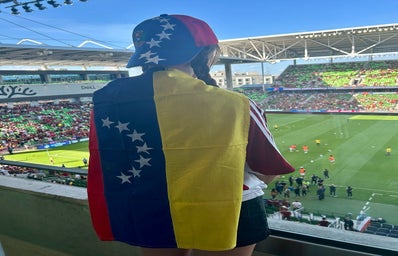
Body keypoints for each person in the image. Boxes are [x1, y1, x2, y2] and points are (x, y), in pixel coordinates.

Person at [87, 14, 295, 256]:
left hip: (151, 207)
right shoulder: (237, 104)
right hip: (229, 209)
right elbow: (267, 168)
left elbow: (108, 159)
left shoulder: (105, 102)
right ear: (205, 54)